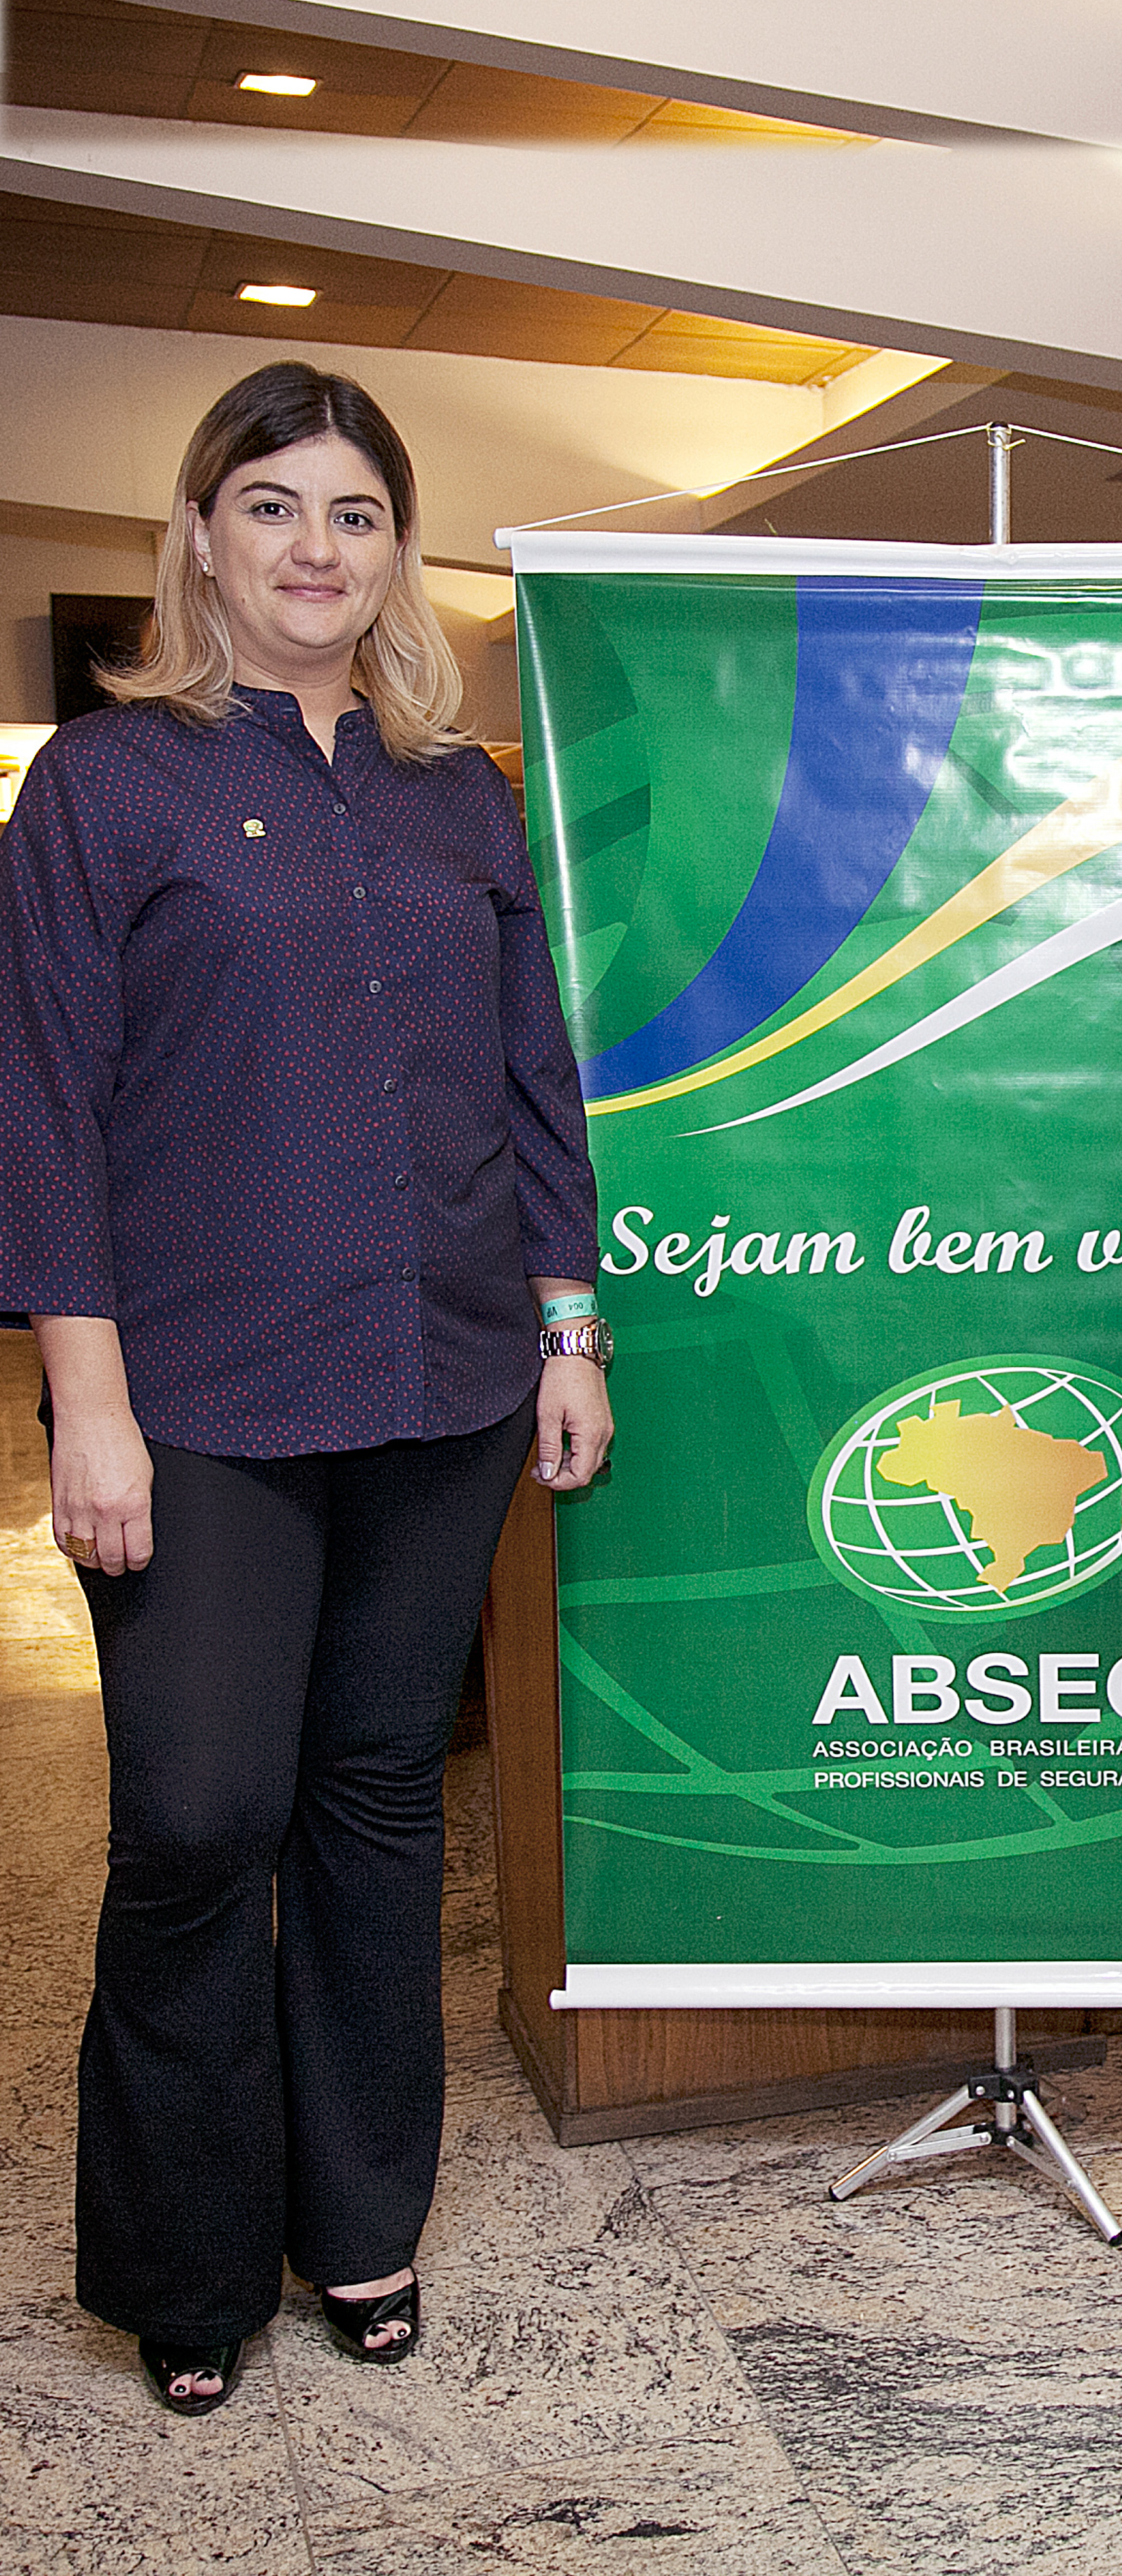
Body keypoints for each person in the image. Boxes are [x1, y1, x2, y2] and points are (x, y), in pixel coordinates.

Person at [0, 361, 611, 2413]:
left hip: (444, 1380)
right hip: (198, 1399)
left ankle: (361, 2219)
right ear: (200, 535)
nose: (314, 549)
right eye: (271, 507)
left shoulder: (460, 795)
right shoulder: (108, 785)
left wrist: (566, 1325)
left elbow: (533, 1074)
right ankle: (187, 2259)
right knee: (197, 1820)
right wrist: (87, 1400)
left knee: (373, 1802)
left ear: (395, 553)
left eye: (354, 514)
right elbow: (40, 1109)